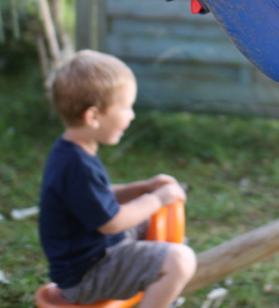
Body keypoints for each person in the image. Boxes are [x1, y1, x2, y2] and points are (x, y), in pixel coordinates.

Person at [39, 50, 196, 307]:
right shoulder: (77, 165)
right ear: (93, 117)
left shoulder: (70, 150)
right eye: (125, 107)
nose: (131, 115)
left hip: (95, 256)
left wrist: (143, 188)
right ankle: (163, 276)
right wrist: (158, 198)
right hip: (87, 276)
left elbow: (95, 198)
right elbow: (112, 223)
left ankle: (156, 273)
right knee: (181, 261)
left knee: (153, 222)